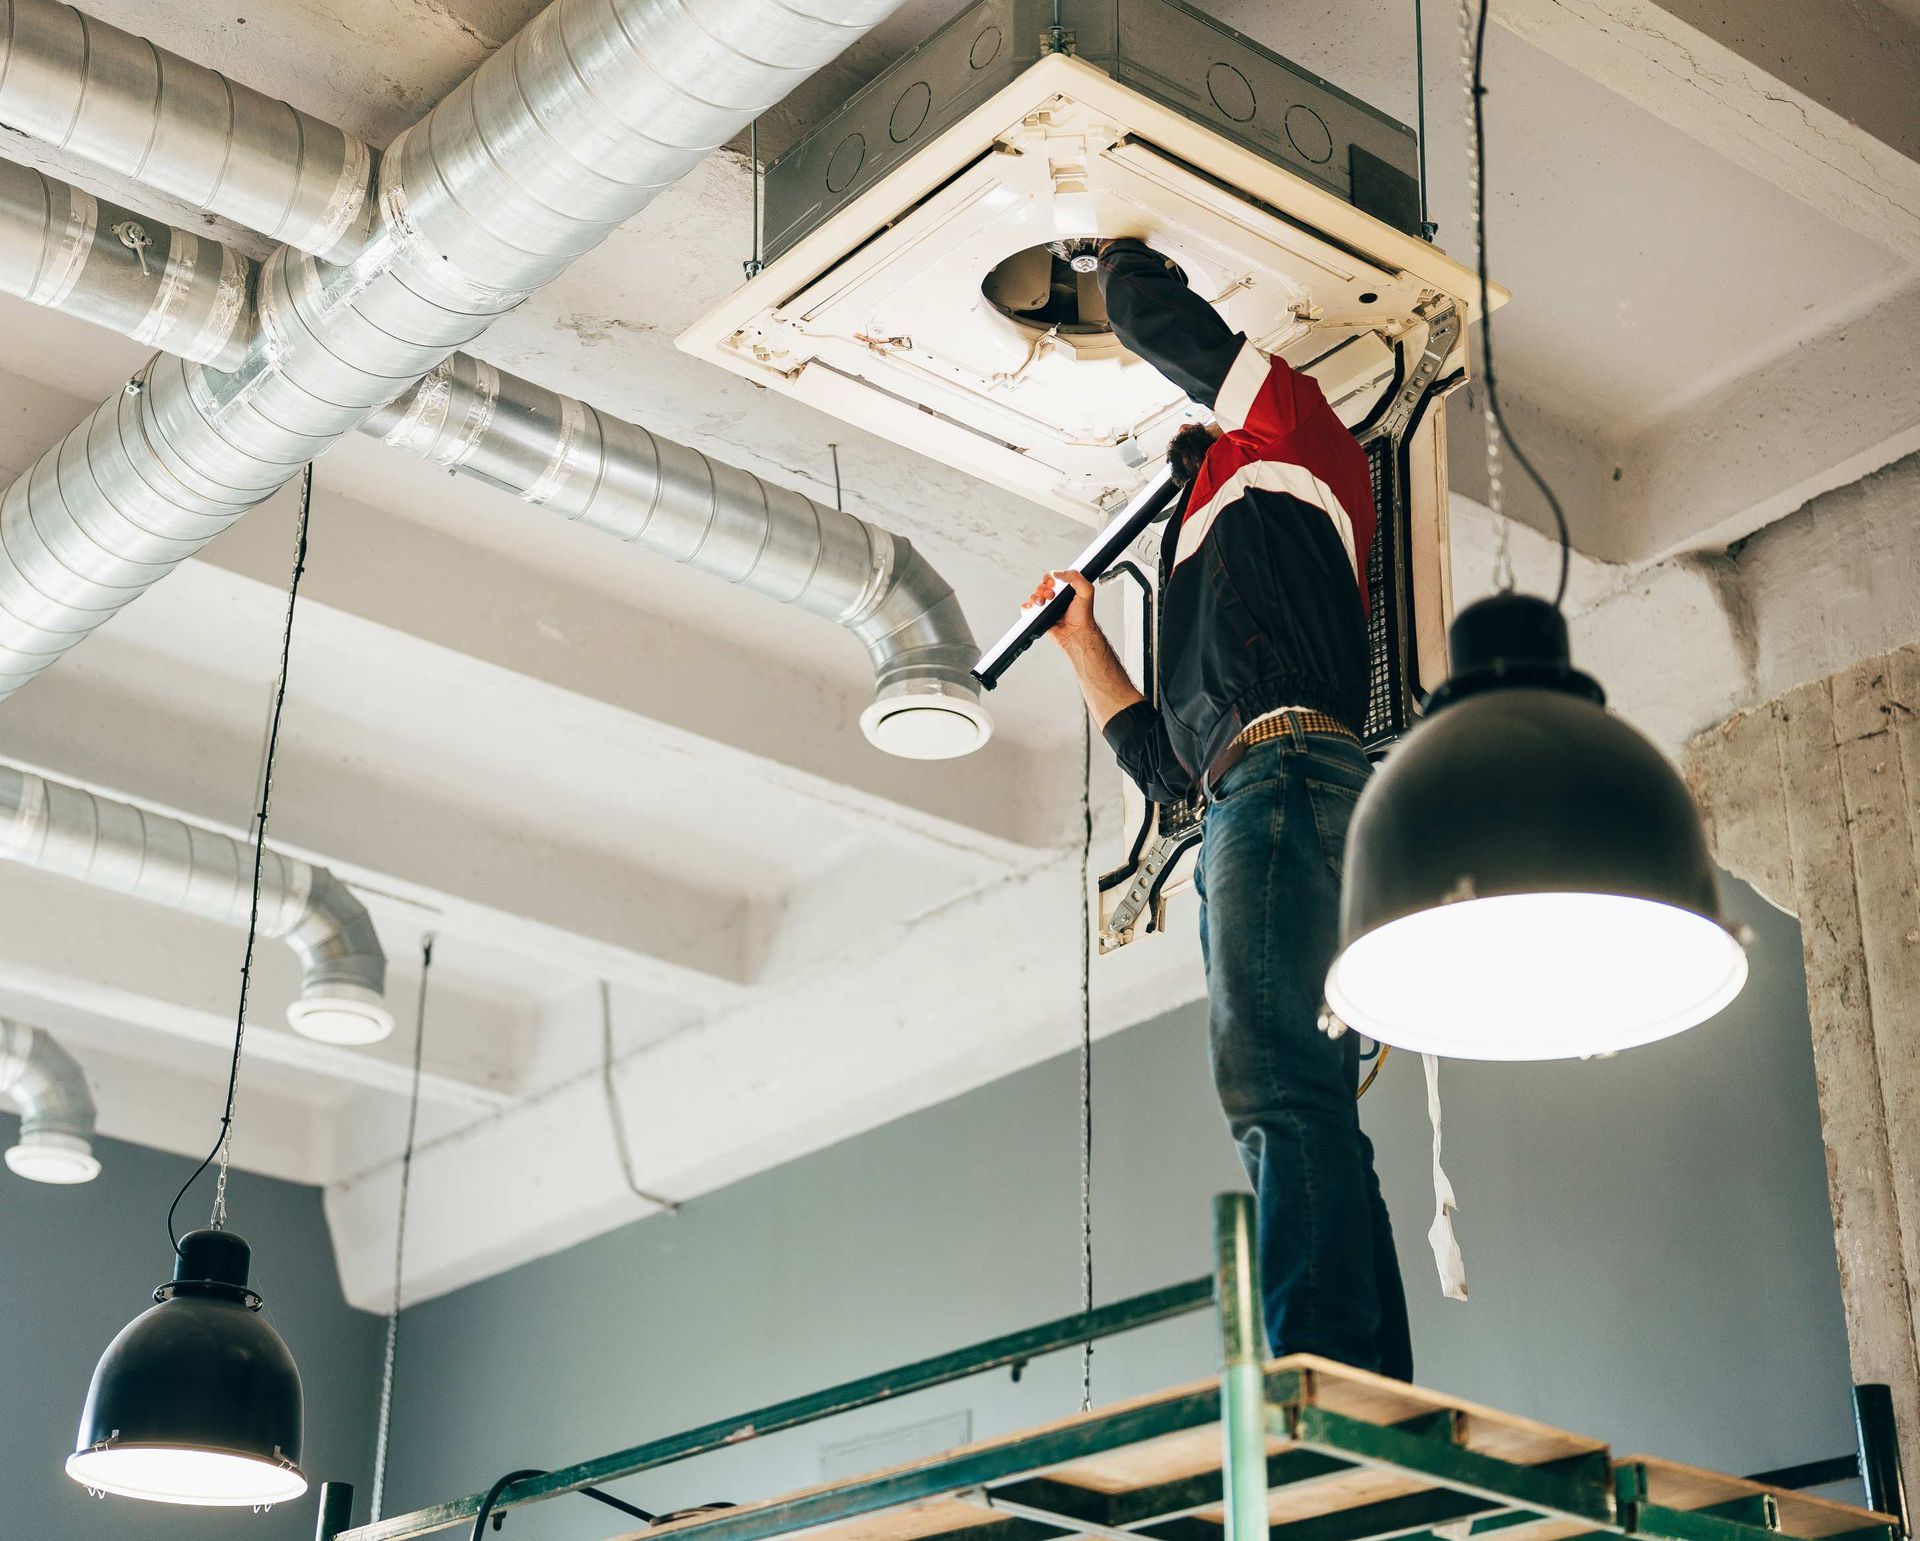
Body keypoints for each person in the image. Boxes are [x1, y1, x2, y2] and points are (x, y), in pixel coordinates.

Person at [1030, 237, 1411, 1378]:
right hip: (1264, 790)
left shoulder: (1299, 433)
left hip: (1288, 783)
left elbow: (1173, 331)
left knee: (1280, 1092)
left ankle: (1322, 1374)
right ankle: (1355, 1380)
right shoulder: (1203, 541)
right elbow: (1166, 769)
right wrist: (1083, 643)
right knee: (1302, 1099)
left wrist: (1115, 258)